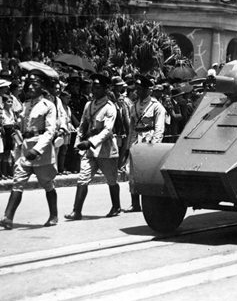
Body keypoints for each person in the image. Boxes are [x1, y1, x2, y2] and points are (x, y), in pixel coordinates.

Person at [0, 69, 59, 229]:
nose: (30, 88)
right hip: (25, 149)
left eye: (35, 84)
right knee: (18, 182)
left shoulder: (48, 106)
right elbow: (21, 128)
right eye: (28, 84)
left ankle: (54, 215)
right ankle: (8, 218)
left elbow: (50, 132)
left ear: (43, 87)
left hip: (41, 151)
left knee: (47, 184)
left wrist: (38, 150)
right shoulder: (25, 105)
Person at [64, 73, 121, 220]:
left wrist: (90, 142)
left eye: (98, 88)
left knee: (111, 180)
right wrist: (78, 143)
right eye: (93, 87)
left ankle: (116, 206)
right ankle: (76, 211)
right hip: (89, 150)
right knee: (83, 178)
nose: (94, 91)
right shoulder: (89, 105)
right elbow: (83, 125)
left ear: (106, 89)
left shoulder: (110, 107)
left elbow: (107, 130)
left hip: (105, 150)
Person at [124, 75, 165, 212]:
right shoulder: (134, 106)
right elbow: (131, 127)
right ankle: (135, 203)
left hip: (148, 140)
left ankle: (149, 203)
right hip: (136, 141)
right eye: (136, 89)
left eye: (141, 89)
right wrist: (127, 147)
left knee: (147, 173)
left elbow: (159, 128)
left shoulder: (156, 106)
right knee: (132, 172)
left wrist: (154, 146)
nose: (138, 92)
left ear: (148, 90)